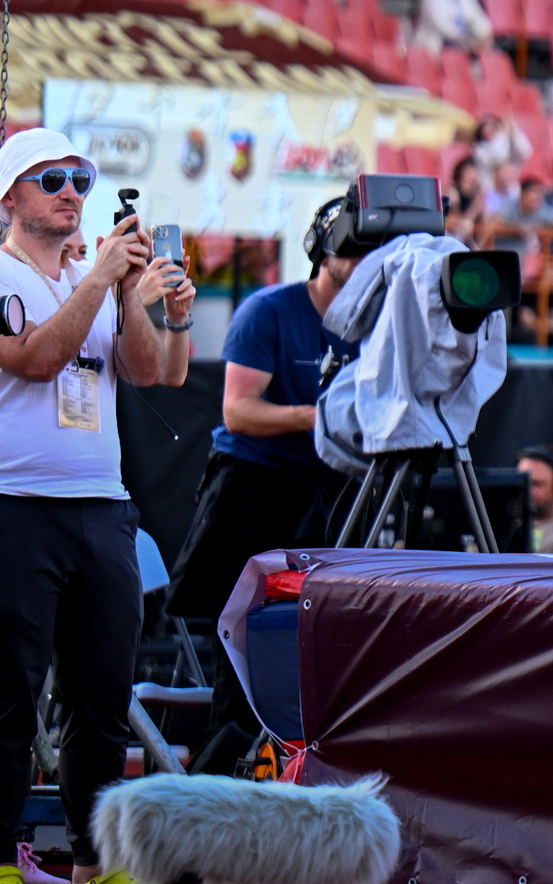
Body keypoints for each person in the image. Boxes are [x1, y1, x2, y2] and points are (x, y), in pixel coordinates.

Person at [0, 127, 192, 884]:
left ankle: (96, 862)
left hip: (102, 507)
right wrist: (100, 281)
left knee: (102, 701)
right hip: (13, 504)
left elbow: (147, 372)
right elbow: (36, 359)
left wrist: (135, 297)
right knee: (9, 696)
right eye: (50, 180)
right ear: (9, 197)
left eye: (79, 181)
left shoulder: (95, 277)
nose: (70, 194)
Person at [165, 196, 360, 749]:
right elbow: (238, 411)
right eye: (352, 248)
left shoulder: (377, 324)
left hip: (334, 483)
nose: (363, 260)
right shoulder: (269, 310)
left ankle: (303, 755)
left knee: (328, 633)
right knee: (249, 635)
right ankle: (234, 758)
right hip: (254, 484)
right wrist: (319, 418)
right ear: (321, 252)